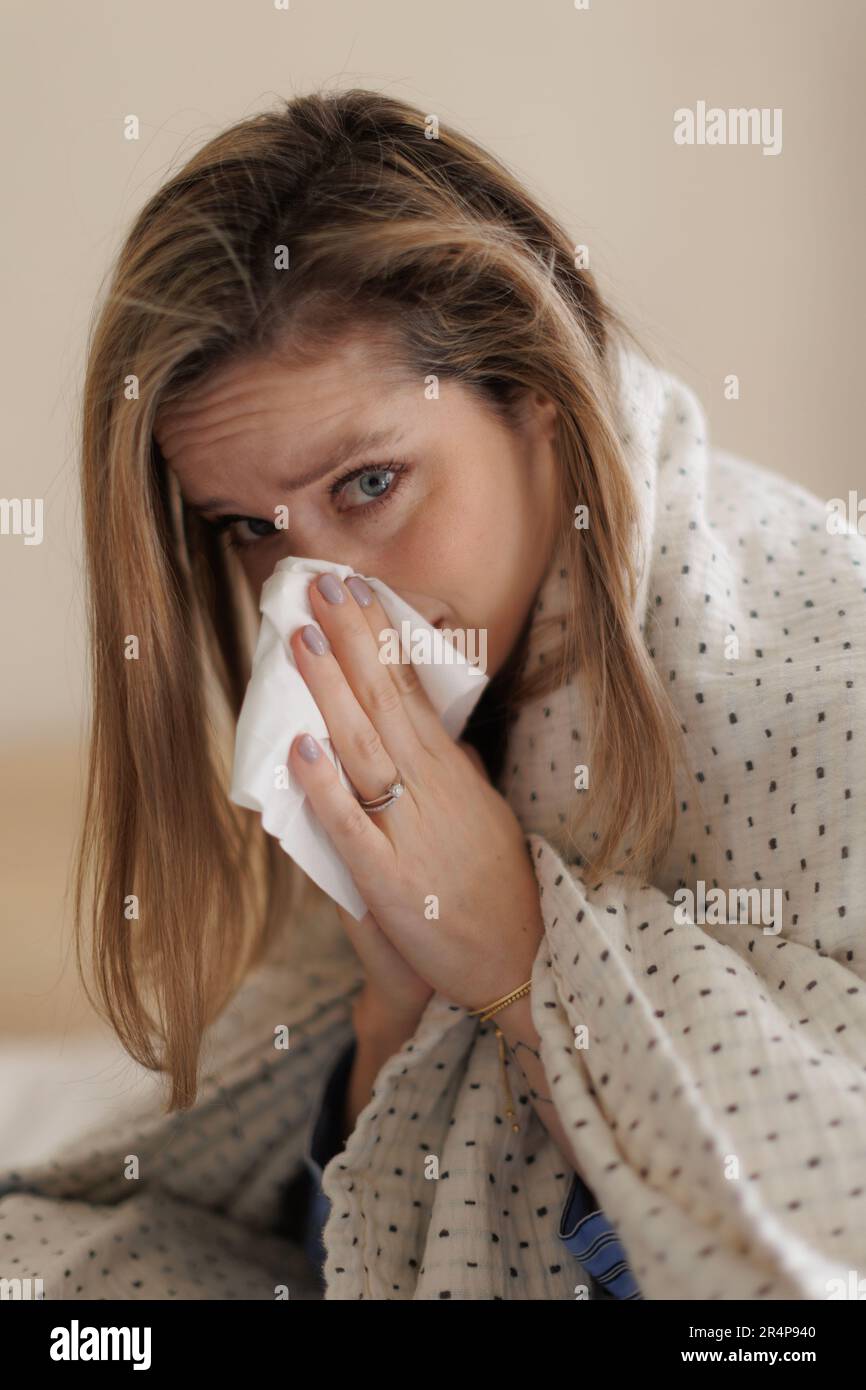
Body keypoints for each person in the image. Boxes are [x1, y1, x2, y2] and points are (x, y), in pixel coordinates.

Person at [1, 88, 863, 1302]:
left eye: (367, 484)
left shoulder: (819, 687)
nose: (321, 596)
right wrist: (395, 1004)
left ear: (535, 402)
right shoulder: (383, 725)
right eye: (250, 527)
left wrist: (519, 957)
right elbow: (345, 1238)